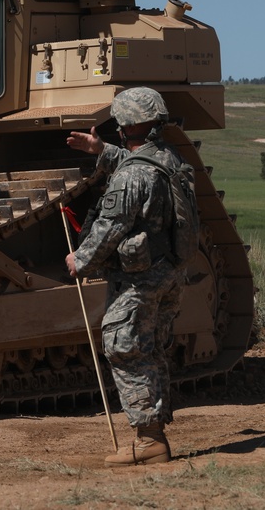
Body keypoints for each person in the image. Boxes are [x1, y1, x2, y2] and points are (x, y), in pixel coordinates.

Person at [64, 87, 186, 466]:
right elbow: (140, 168)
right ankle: (154, 435)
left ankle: (149, 442)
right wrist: (100, 151)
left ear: (124, 126)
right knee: (150, 351)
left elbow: (110, 227)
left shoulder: (131, 177)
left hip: (138, 280)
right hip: (167, 273)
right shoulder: (170, 160)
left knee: (125, 347)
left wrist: (79, 261)